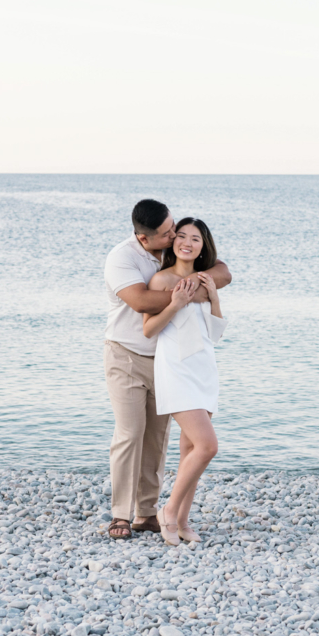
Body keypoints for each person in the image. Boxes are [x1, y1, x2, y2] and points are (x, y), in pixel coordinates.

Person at [103, 199, 231, 540]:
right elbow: (143, 304)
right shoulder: (123, 259)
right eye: (169, 233)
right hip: (129, 355)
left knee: (159, 441)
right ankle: (124, 514)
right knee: (131, 434)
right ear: (146, 239)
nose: (177, 236)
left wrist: (207, 290)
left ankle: (151, 514)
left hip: (182, 363)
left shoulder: (173, 252)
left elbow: (223, 273)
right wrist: (185, 295)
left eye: (178, 229)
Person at [141, 218, 225, 545]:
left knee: (190, 448)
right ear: (173, 241)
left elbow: (215, 333)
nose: (187, 243)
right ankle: (169, 511)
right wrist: (175, 304)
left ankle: (183, 521)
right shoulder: (161, 280)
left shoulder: (204, 280)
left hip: (204, 368)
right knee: (208, 446)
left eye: (196, 238)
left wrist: (214, 296)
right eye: (182, 236)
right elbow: (149, 330)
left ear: (204, 246)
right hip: (175, 369)